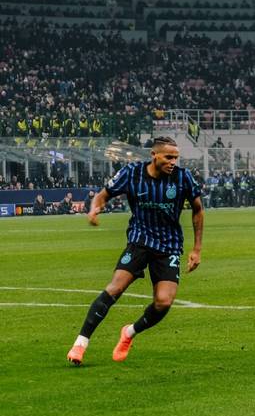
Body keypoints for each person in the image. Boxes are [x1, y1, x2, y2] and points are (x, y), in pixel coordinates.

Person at [66, 136, 204, 366]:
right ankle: (80, 343)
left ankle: (129, 332)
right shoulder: (132, 173)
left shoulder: (183, 177)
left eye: (176, 158)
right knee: (115, 288)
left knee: (163, 302)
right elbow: (103, 195)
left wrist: (197, 249)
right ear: (154, 155)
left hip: (169, 245)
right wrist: (94, 209)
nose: (173, 162)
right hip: (140, 240)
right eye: (168, 157)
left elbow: (198, 210)